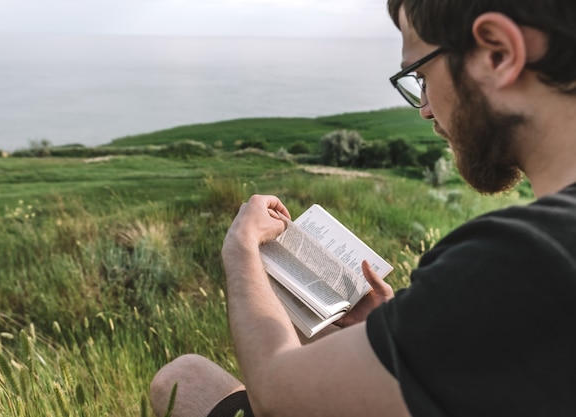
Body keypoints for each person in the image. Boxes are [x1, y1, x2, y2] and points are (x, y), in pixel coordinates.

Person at [150, 0, 576, 415]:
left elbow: (275, 394)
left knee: (184, 380)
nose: (425, 108)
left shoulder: (524, 259)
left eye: (422, 74)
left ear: (497, 53)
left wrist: (240, 250)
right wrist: (401, 328)